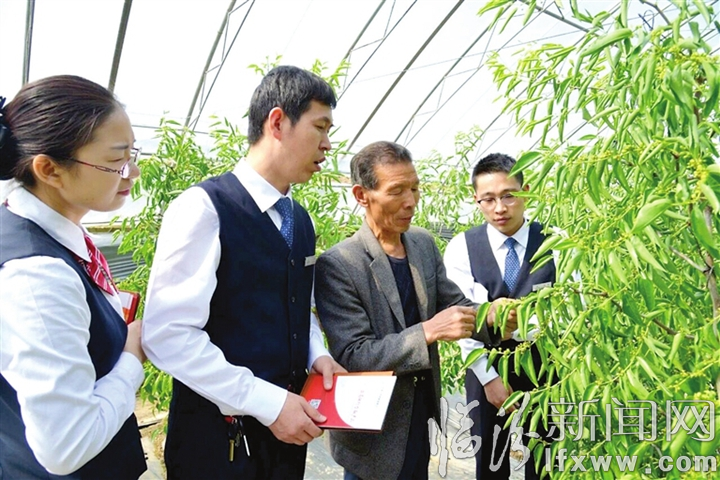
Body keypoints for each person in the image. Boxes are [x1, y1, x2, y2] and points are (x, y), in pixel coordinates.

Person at [141, 65, 346, 479]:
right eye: (320, 128)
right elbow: (168, 335)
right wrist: (266, 403)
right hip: (217, 445)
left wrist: (317, 354)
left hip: (285, 438)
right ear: (277, 122)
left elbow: (297, 307)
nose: (328, 145)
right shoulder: (204, 208)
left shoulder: (300, 220)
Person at [314, 141, 513, 480]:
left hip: (420, 416)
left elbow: (454, 306)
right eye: (397, 191)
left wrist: (492, 317)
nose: (411, 201)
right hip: (373, 432)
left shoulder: (421, 244)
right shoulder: (340, 263)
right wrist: (428, 332)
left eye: (415, 188)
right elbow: (354, 355)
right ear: (362, 195)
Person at [0, 75, 147, 478]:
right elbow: (66, 446)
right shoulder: (37, 275)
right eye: (115, 161)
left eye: (132, 153)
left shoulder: (47, 230)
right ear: (49, 169)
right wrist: (131, 359)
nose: (132, 172)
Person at [443, 153, 556, 480]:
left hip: (546, 369)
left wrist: (522, 329)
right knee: (491, 464)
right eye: (488, 199)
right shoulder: (462, 248)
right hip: (485, 365)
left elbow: (570, 310)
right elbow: (464, 320)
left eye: (509, 196)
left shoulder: (555, 242)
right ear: (475, 199)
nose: (500, 208)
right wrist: (489, 378)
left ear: (526, 191)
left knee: (547, 462)